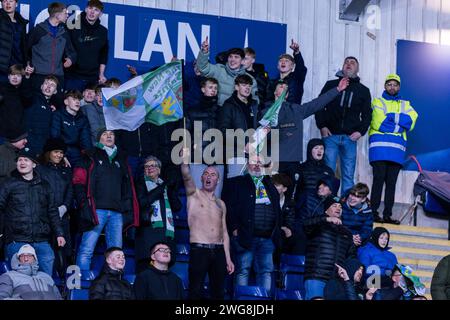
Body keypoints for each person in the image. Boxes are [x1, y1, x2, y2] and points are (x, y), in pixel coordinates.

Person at [262, 77, 349, 197]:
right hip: (274, 161)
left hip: (293, 162)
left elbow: (317, 103)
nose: (283, 88)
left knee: (289, 197)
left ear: (287, 95)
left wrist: (337, 89)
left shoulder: (296, 110)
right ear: (275, 92)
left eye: (286, 88)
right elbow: (261, 137)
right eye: (281, 86)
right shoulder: (266, 112)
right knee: (271, 195)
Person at [73, 128, 139, 272]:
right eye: (104, 134)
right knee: (86, 250)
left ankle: (114, 286)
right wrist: (84, 204)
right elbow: (78, 181)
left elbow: (127, 187)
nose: (109, 136)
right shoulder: (90, 155)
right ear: (98, 138)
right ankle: (79, 287)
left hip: (117, 213)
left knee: (116, 253)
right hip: (96, 211)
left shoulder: (122, 159)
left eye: (111, 134)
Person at [223, 155, 285, 293]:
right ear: (247, 164)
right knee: (243, 270)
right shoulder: (237, 183)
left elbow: (277, 211)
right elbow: (228, 207)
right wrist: (234, 228)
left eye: (259, 163)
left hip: (268, 238)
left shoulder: (269, 184)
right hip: (245, 237)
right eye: (253, 162)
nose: (257, 165)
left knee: (266, 272)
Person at [0, 148, 65, 275]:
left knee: (46, 279)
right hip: (17, 240)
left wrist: (59, 233)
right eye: (19, 160)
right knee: (19, 282)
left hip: (41, 241)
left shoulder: (45, 186)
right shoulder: (8, 184)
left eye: (26, 160)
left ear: (34, 164)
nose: (22, 162)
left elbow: (52, 211)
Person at [180, 147, 234, 300]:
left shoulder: (221, 203)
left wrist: (228, 258)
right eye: (206, 174)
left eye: (213, 174)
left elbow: (224, 233)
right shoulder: (194, 195)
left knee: (218, 293)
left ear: (218, 180)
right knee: (195, 291)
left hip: (218, 251)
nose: (209, 176)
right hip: (200, 249)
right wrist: (184, 161)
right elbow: (186, 176)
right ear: (202, 178)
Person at [315, 56, 372, 195]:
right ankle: (328, 204)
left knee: (348, 175)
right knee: (328, 173)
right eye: (346, 62)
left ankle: (345, 206)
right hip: (330, 136)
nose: (349, 64)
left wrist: (360, 131)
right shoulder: (331, 85)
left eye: (352, 63)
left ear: (357, 69)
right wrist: (322, 126)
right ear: (342, 66)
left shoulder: (363, 90)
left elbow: (367, 115)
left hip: (349, 138)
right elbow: (319, 105)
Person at [369, 74, 418, 224]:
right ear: (385, 86)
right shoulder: (377, 102)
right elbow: (379, 123)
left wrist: (390, 117)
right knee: (378, 181)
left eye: (395, 84)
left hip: (396, 151)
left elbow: (411, 122)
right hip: (379, 149)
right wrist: (399, 123)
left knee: (391, 184)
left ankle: (387, 215)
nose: (392, 87)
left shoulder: (406, 104)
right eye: (389, 84)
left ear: (399, 87)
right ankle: (373, 213)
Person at [135, 156, 181, 274]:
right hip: (148, 236)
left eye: (153, 165)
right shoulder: (140, 183)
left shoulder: (165, 186)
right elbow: (143, 202)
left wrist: (172, 190)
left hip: (166, 235)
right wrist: (163, 186)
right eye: (147, 166)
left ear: (159, 170)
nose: (150, 168)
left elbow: (177, 207)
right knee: (146, 274)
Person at [303, 196, 354, 300]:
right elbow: (305, 224)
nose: (338, 208)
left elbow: (350, 255)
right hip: (317, 277)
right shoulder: (318, 225)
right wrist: (326, 219)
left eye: (340, 206)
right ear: (326, 210)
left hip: (335, 281)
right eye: (334, 205)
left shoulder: (346, 233)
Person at [36, 138, 73, 273]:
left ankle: (63, 283)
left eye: (61, 152)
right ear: (48, 153)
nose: (59, 155)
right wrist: (49, 209)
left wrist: (64, 207)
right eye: (56, 152)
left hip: (62, 216)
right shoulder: (40, 170)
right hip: (44, 217)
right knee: (47, 250)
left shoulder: (66, 170)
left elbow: (70, 191)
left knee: (63, 250)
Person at [27, 2, 76, 102]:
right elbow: (25, 49)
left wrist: (71, 59)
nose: (67, 15)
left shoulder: (64, 32)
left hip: (58, 76)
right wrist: (29, 64)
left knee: (56, 107)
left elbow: (72, 52)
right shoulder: (38, 31)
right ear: (57, 15)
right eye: (65, 13)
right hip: (39, 75)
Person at [186, 77, 224, 196]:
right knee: (197, 196)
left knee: (215, 198)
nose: (213, 90)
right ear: (203, 89)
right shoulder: (192, 110)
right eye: (210, 87)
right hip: (197, 158)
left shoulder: (222, 111)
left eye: (215, 88)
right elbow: (185, 133)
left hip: (218, 159)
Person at [219, 74, 261, 178]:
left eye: (249, 86)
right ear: (236, 87)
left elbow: (259, 126)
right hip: (236, 153)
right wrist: (244, 144)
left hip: (254, 154)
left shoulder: (254, 105)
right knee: (236, 186)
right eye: (244, 85)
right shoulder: (228, 105)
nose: (247, 88)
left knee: (254, 187)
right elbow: (224, 131)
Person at [196, 37, 258, 106]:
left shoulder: (250, 79)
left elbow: (255, 101)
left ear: (242, 61)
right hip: (220, 111)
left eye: (236, 57)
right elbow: (203, 68)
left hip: (240, 113)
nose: (232, 60)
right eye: (230, 57)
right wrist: (204, 52)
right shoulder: (219, 70)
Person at [66, 0, 108, 91]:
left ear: (100, 14)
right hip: (73, 76)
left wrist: (101, 74)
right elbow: (65, 47)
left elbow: (103, 55)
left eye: (96, 10)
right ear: (85, 9)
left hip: (92, 78)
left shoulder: (103, 31)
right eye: (90, 8)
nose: (92, 12)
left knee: (88, 105)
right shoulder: (74, 25)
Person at [50, 90, 92, 166]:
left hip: (76, 152)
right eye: (74, 99)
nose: (77, 102)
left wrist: (89, 155)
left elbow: (86, 140)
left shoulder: (82, 119)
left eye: (79, 100)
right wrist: (63, 155)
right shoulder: (58, 115)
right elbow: (55, 136)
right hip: (60, 150)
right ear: (66, 102)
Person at [24, 75, 58, 155]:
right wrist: (27, 77)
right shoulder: (33, 98)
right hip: (27, 142)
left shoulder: (52, 107)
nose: (48, 86)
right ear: (41, 86)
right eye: (46, 83)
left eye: (52, 85)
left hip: (42, 146)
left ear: (55, 91)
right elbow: (25, 91)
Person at [266, 39, 308, 104]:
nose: (283, 62)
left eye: (286, 61)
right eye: (281, 60)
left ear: (292, 66)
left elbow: (301, 68)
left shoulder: (296, 79)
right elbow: (267, 101)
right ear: (277, 66)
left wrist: (296, 52)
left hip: (292, 112)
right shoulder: (272, 83)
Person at [0, 64, 33, 140]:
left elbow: (28, 101)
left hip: (16, 135)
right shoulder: (1, 88)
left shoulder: (23, 91)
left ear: (22, 78)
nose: (15, 77)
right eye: (12, 74)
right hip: (1, 133)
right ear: (8, 76)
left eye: (18, 75)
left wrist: (27, 78)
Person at [0, 0, 29, 83]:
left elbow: (23, 46)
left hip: (17, 68)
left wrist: (26, 63)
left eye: (11, 1)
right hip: (2, 68)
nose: (8, 3)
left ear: (16, 4)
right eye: (5, 1)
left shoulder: (21, 22)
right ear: (1, 3)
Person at [270, 173, 296, 255]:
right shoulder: (265, 200)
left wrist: (287, 227)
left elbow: (290, 221)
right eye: (272, 184)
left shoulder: (290, 203)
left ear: (284, 189)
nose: (273, 187)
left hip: (281, 233)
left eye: (277, 185)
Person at [341, 183, 373, 247]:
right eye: (352, 195)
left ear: (363, 199)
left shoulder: (368, 212)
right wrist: (350, 236)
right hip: (342, 238)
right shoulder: (341, 206)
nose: (352, 198)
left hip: (358, 242)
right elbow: (338, 226)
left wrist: (359, 237)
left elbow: (367, 229)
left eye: (357, 197)